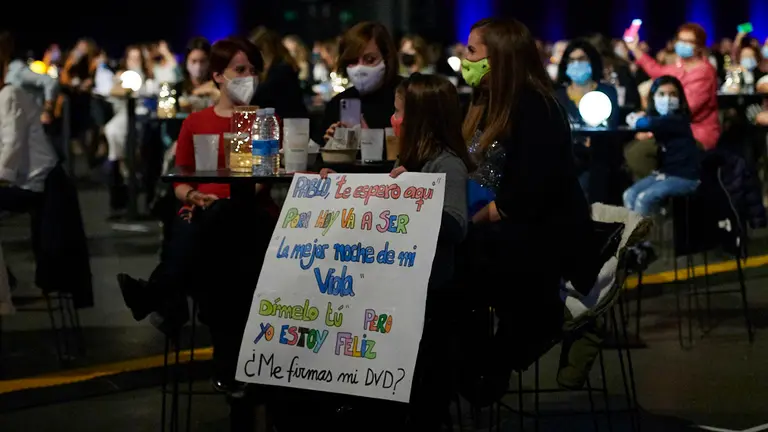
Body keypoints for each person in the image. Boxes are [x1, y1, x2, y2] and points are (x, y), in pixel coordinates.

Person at [117, 37, 277, 398]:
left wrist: (216, 200)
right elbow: (180, 181)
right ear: (218, 75)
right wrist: (193, 195)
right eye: (240, 70)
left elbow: (260, 182)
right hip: (203, 215)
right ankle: (229, 367)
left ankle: (159, 293)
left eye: (253, 70)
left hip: (247, 216)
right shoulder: (196, 122)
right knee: (209, 243)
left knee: (213, 226)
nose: (248, 77)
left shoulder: (259, 120)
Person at [316, 73, 471, 431]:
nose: (393, 119)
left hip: (429, 297)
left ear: (420, 118)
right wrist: (333, 184)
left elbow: (456, 225)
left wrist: (414, 197)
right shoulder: (411, 158)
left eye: (399, 112)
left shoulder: (445, 163)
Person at [458, 17, 600, 402]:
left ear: (499, 58)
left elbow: (527, 193)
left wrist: (476, 217)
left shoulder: (537, 107)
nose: (464, 57)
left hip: (545, 233)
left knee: (463, 262)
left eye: (472, 50)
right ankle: (472, 363)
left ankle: (491, 359)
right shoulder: (482, 103)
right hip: (506, 227)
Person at [625, 23, 720, 179]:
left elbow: (686, 109)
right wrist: (635, 48)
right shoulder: (679, 67)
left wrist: (651, 129)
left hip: (694, 135)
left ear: (699, 46)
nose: (682, 44)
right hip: (670, 129)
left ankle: (659, 193)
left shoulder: (704, 72)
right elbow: (657, 71)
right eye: (680, 39)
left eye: (688, 41)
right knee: (633, 149)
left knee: (637, 153)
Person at [624, 76, 701, 216]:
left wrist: (633, 118)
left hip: (686, 177)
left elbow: (643, 124)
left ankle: (641, 237)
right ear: (653, 98)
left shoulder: (677, 119)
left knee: (643, 199)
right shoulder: (660, 119)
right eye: (661, 94)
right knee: (629, 194)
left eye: (673, 94)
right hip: (665, 173)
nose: (667, 99)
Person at [321, 21, 402, 142]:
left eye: (369, 60)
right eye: (353, 61)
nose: (360, 68)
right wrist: (330, 145)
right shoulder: (338, 103)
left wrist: (369, 140)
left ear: (387, 58)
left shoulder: (407, 97)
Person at [250, 27, 308, 119]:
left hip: (286, 123)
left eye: (259, 49)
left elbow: (263, 96)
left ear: (266, 47)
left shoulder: (282, 70)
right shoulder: (282, 67)